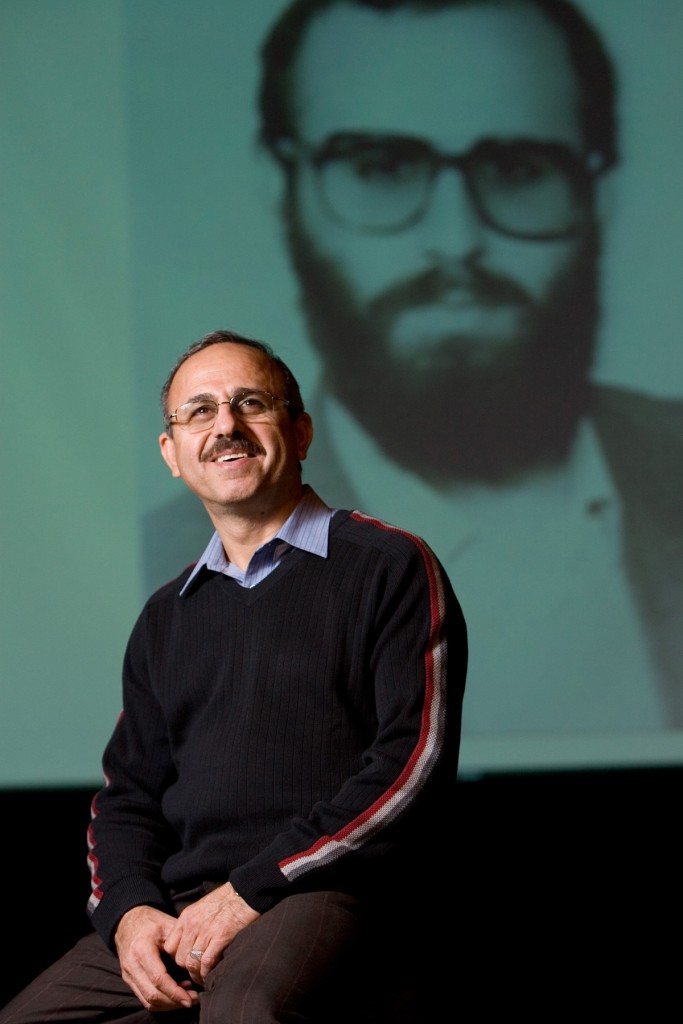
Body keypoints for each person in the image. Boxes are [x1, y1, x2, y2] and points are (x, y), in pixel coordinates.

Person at [0, 330, 467, 1023]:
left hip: (325, 891)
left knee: (245, 1011)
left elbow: (411, 766)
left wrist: (250, 889)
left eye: (251, 403)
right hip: (184, 906)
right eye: (199, 411)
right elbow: (127, 799)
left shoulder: (388, 565)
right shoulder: (166, 615)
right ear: (172, 455)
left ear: (301, 431)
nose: (225, 426)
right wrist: (131, 915)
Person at [251, 0, 681, 733]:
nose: (455, 243)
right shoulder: (173, 566)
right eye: (380, 167)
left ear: (597, 193)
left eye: (517, 168)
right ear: (283, 193)